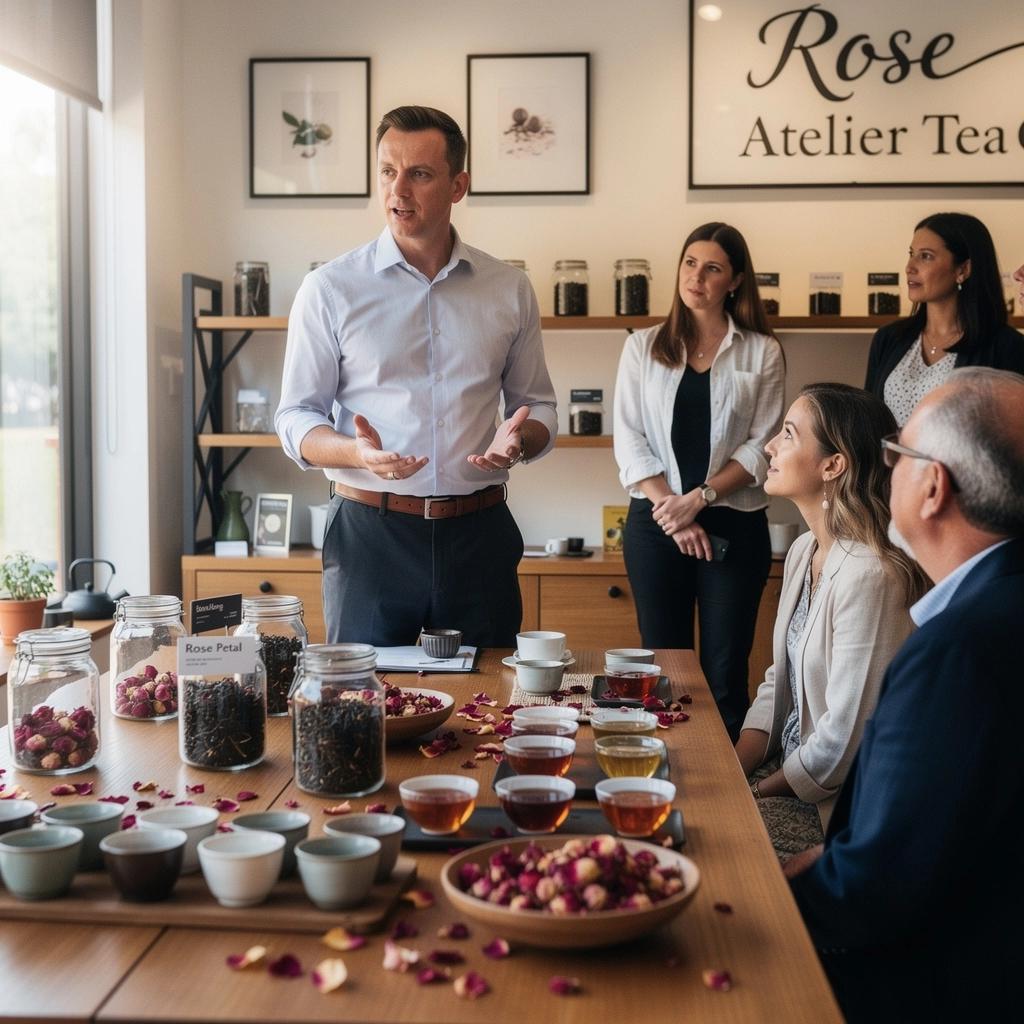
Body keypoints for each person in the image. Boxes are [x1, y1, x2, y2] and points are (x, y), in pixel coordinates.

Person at [787, 367, 1024, 1022]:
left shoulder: (959, 647)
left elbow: (876, 888)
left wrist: (758, 893)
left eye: (896, 456)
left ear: (932, 487)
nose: (880, 468)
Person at [275, 105, 557, 647]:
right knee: (364, 709)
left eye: (419, 174)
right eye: (387, 171)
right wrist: (357, 454)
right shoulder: (329, 289)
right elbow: (295, 418)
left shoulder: (509, 288)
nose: (397, 190)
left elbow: (539, 405)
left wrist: (519, 439)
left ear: (458, 185)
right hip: (369, 536)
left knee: (490, 708)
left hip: (480, 534)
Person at [735, 384, 926, 861]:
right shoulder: (804, 550)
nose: (769, 447)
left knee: (705, 847)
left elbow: (843, 742)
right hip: (782, 771)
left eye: (788, 435)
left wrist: (756, 793)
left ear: (832, 465)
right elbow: (780, 679)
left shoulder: (872, 574)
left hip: (832, 809)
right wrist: (733, 769)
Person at [613, 222, 785, 740]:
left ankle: (729, 782)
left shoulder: (762, 351)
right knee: (661, 662)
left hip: (733, 520)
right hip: (655, 522)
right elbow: (629, 438)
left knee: (725, 667)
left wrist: (702, 499)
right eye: (690, 263)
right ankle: (664, 765)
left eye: (712, 268)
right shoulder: (642, 346)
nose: (697, 276)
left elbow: (763, 445)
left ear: (734, 281)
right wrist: (674, 511)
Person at [864, 211, 1024, 426]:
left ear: (963, 269)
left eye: (926, 256)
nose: (910, 267)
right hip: (889, 461)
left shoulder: (1007, 347)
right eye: (911, 253)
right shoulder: (888, 338)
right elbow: (865, 426)